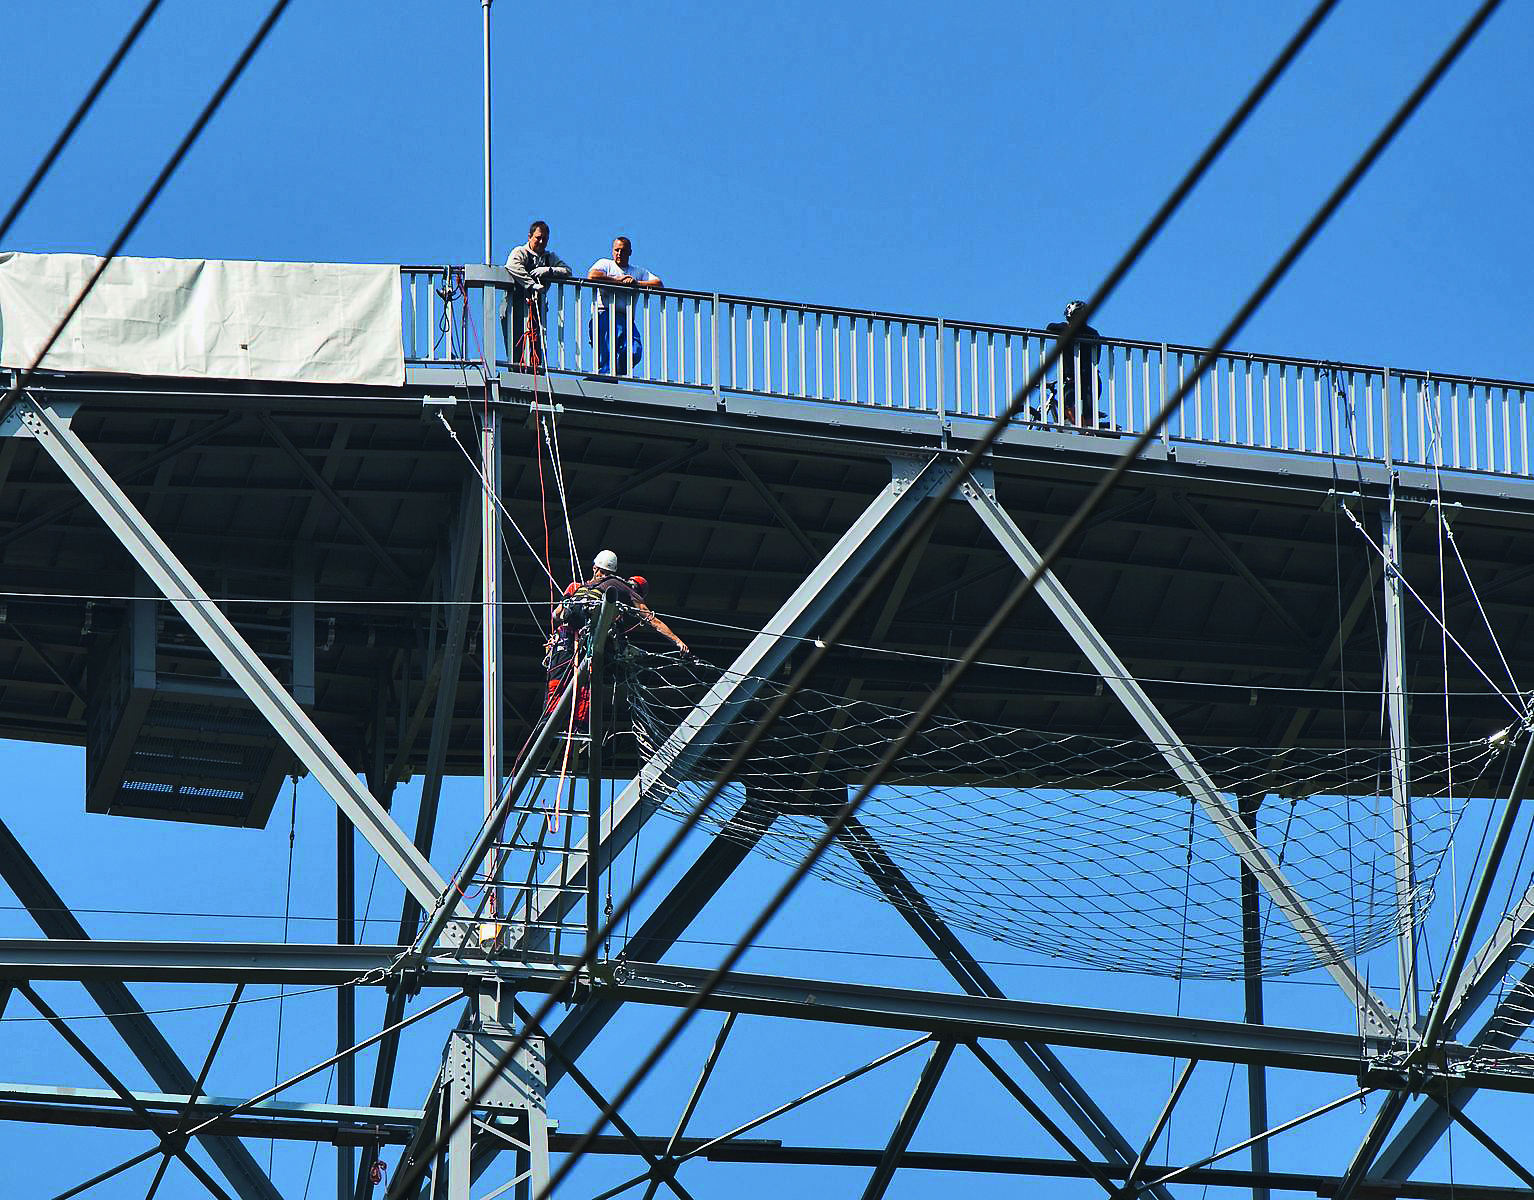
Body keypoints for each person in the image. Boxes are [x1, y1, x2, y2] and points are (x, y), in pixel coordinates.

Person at [586, 237, 663, 376]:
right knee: (607, 353)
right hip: (604, 314)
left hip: (626, 319)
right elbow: (592, 275)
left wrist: (636, 284)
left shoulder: (638, 271)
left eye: (623, 250)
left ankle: (617, 372)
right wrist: (617, 281)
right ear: (612, 250)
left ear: (630, 252)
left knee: (635, 350)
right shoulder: (606, 264)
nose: (619, 253)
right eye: (616, 250)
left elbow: (658, 283)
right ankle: (606, 376)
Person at [504, 220, 572, 369]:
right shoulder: (520, 252)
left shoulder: (549, 257)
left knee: (536, 341)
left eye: (544, 239)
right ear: (529, 237)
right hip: (515, 306)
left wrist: (549, 270)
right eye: (538, 238)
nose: (541, 242)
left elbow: (567, 271)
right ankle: (517, 373)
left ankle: (536, 370)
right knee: (517, 342)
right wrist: (532, 284)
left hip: (536, 307)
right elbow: (512, 266)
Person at [1043, 300, 1102, 426]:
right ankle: (1084, 430)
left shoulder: (1090, 334)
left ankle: (1087, 431)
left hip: (1089, 379)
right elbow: (1050, 327)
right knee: (1067, 405)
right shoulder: (1065, 329)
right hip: (1073, 379)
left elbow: (1096, 357)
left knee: (1087, 410)